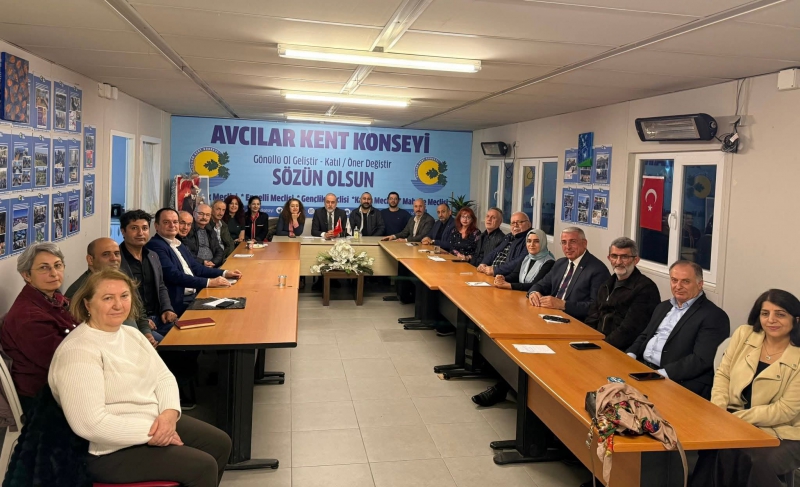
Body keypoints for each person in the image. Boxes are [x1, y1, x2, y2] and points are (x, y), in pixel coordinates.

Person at [49, 268, 231, 487]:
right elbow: (91, 424)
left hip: (151, 421)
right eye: (107, 298)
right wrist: (154, 433)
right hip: (105, 450)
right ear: (87, 304)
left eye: (124, 296)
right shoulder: (78, 351)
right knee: (202, 466)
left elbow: (163, 377)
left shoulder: (131, 334)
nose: (118, 305)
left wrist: (169, 415)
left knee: (220, 443)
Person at [691, 289, 800, 487]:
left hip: (785, 431)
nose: (771, 320)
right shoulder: (744, 334)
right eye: (765, 313)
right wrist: (718, 409)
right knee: (713, 446)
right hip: (734, 417)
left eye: (780, 314)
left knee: (753, 457)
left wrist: (734, 419)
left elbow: (786, 410)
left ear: (796, 319)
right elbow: (723, 375)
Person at [473, 229, 556, 407]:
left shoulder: (549, 262)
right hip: (520, 305)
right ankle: (494, 369)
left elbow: (533, 285)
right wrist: (501, 278)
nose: (532, 245)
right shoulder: (527, 258)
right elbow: (515, 276)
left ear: (543, 243)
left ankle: (503, 386)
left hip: (535, 312)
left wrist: (509, 285)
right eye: (529, 241)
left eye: (536, 241)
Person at [627, 260, 730, 399]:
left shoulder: (714, 316)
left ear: (700, 284)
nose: (678, 286)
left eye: (685, 281)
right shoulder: (663, 307)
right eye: (674, 280)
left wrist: (660, 374)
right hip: (643, 369)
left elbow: (701, 360)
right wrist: (630, 356)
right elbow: (645, 336)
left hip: (676, 381)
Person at [0, 243, 80, 413]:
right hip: (44, 399)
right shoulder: (28, 317)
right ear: (26, 275)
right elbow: (63, 362)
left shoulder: (54, 297)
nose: (54, 273)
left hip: (64, 382)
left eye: (58, 265)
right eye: (44, 268)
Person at [146, 208, 242, 315]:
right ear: (156, 226)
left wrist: (225, 273)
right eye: (166, 222)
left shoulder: (177, 243)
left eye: (175, 222)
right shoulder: (155, 245)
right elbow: (174, 275)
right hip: (180, 303)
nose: (172, 225)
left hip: (194, 295)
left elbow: (197, 267)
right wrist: (209, 282)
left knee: (235, 304)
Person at [64, 237, 157, 346]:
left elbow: (139, 312)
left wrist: (146, 333)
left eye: (117, 254)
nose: (114, 259)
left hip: (137, 338)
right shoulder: (78, 291)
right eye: (106, 254)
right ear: (90, 260)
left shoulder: (122, 279)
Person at [584, 237, 661, 350]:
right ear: (609, 258)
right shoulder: (606, 284)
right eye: (614, 256)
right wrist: (586, 339)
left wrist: (602, 346)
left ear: (636, 260)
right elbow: (592, 317)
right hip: (598, 342)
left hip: (621, 349)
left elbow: (630, 330)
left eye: (624, 257)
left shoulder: (646, 288)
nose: (618, 262)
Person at [118, 209, 178, 342]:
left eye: (144, 228)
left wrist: (167, 309)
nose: (140, 233)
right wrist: (142, 321)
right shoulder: (117, 260)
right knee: (168, 346)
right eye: (134, 228)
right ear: (123, 231)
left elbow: (161, 286)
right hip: (135, 322)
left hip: (159, 317)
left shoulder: (152, 255)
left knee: (187, 337)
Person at [527, 227, 610, 321]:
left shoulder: (598, 270)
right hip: (550, 315)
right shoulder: (560, 263)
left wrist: (563, 304)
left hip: (576, 322)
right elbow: (540, 284)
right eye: (564, 242)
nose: (568, 247)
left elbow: (596, 307)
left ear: (584, 243)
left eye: (572, 242)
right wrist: (534, 293)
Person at [476, 212, 531, 277]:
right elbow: (494, 252)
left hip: (505, 277)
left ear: (529, 224)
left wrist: (495, 270)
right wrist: (483, 263)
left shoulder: (530, 239)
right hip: (492, 273)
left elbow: (519, 261)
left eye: (519, 222)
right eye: (513, 223)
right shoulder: (508, 236)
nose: (515, 225)